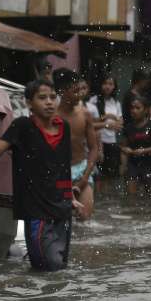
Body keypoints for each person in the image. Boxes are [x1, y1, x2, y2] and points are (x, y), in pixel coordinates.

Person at [0, 79, 75, 271]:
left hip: (62, 210)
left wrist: (72, 198)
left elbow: (64, 167)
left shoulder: (64, 128)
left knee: (60, 267)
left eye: (53, 97)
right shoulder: (22, 126)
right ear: (29, 103)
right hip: (37, 212)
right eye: (42, 98)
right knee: (45, 267)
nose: (49, 102)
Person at [53, 70, 98, 220]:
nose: (80, 94)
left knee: (84, 219)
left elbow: (93, 148)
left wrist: (85, 177)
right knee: (59, 219)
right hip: (57, 173)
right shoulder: (52, 116)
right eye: (75, 91)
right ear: (62, 92)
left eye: (80, 89)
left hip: (81, 169)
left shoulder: (85, 114)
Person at [86, 73, 123, 186]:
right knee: (97, 176)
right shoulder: (93, 101)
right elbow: (89, 123)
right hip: (97, 141)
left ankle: (107, 202)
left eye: (110, 84)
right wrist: (106, 121)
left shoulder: (116, 102)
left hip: (111, 142)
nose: (107, 86)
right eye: (105, 83)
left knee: (110, 175)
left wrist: (116, 122)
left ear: (114, 87)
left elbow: (120, 122)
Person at [121, 95, 151, 197]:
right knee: (131, 197)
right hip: (132, 164)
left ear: (146, 110)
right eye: (132, 108)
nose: (134, 111)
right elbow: (123, 147)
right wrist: (124, 164)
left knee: (150, 197)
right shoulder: (128, 127)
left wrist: (144, 151)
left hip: (149, 164)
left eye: (138, 108)